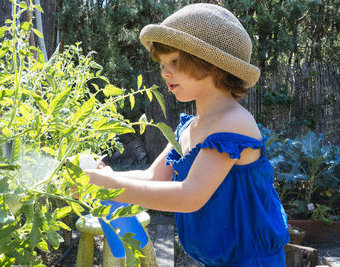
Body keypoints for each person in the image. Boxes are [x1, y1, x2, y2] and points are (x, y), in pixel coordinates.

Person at [85, 3, 289, 266]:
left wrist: (109, 186)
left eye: (175, 61)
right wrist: (106, 177)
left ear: (212, 63)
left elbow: (189, 196)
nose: (164, 72)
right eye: (161, 63)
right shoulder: (190, 127)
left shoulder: (233, 123)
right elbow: (152, 177)